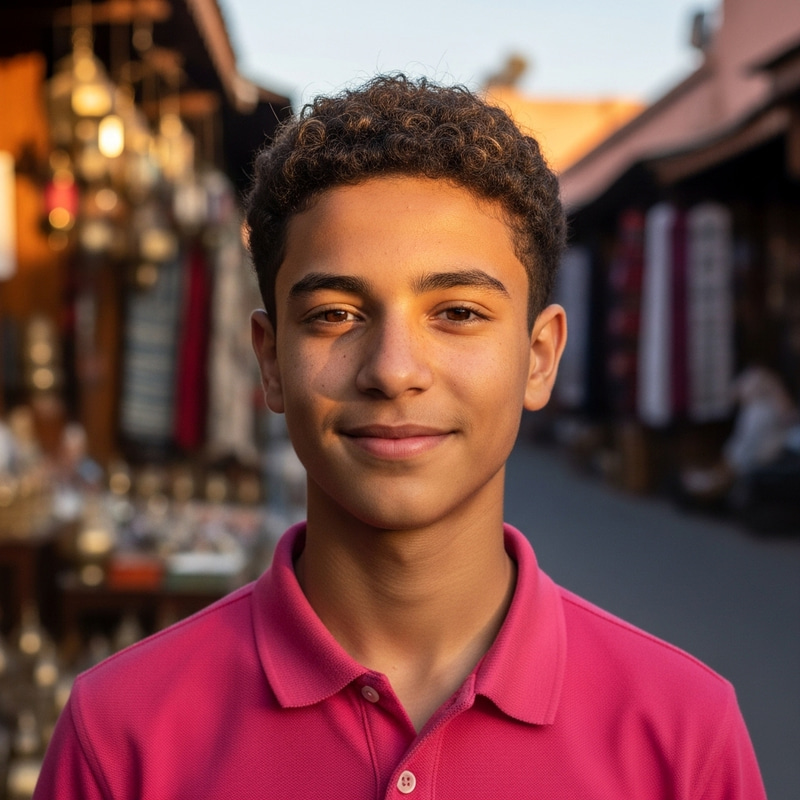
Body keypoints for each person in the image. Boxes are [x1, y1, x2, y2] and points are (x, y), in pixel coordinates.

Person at [34, 75, 765, 799]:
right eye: (335, 315)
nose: (393, 371)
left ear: (539, 358)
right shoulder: (120, 736)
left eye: (458, 313)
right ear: (270, 362)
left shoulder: (683, 736)